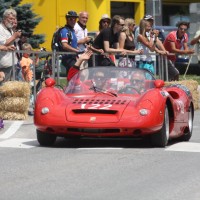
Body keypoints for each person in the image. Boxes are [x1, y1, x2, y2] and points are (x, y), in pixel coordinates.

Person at [0, 8, 21, 81]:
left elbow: (13, 42)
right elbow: (3, 43)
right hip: (4, 65)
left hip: (13, 62)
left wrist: (15, 34)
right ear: (5, 18)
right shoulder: (0, 29)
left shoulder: (10, 29)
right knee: (3, 87)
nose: (12, 21)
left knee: (11, 89)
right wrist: (14, 36)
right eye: (11, 19)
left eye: (14, 19)